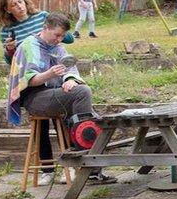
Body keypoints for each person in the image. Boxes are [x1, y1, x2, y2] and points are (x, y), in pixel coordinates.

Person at [6, 12, 115, 184]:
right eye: (57, 35)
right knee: (83, 93)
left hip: (55, 94)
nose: (59, 39)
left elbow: (70, 69)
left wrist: (70, 80)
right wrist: (48, 74)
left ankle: (88, 167)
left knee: (94, 117)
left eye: (63, 36)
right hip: (34, 98)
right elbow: (27, 81)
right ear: (46, 28)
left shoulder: (58, 47)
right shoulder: (29, 46)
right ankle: (84, 166)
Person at [0, 0, 74, 185]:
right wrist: (9, 50)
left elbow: (68, 38)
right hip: (31, 78)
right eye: (13, 4)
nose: (19, 6)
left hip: (52, 72)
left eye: (20, 1)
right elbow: (11, 61)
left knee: (60, 118)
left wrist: (52, 34)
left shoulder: (42, 17)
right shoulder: (7, 31)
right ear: (7, 10)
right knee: (41, 125)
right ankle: (47, 170)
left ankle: (71, 165)